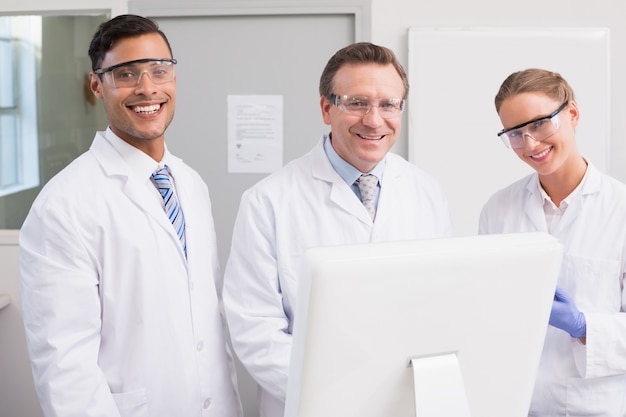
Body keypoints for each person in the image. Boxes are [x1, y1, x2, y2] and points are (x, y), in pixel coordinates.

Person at [19, 14, 242, 417]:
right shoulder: (64, 205)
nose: (147, 88)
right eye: (126, 74)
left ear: (173, 78)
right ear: (96, 85)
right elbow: (65, 370)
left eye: (159, 70)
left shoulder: (190, 184)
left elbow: (203, 316)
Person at [222, 42, 453, 417]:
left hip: (406, 402)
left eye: (388, 104)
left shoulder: (427, 192)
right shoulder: (267, 201)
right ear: (326, 108)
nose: (374, 120)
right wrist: (340, 396)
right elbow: (255, 330)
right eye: (357, 102)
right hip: (313, 404)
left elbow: (442, 306)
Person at [479, 68, 626, 416]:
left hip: (594, 406)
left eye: (541, 123)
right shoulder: (498, 209)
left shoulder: (619, 209)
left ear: (572, 114)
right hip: (514, 402)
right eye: (515, 133)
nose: (530, 144)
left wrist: (583, 326)